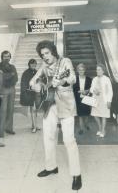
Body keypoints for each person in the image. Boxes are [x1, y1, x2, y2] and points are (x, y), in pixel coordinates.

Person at [29, 40, 82, 191]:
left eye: (47, 53)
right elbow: (32, 82)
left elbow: (73, 78)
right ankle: (51, 166)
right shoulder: (44, 66)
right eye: (42, 54)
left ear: (53, 51)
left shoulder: (65, 61)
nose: (45, 56)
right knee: (48, 137)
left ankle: (76, 174)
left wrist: (63, 80)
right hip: (49, 104)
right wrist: (39, 86)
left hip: (66, 105)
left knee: (69, 140)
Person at [90, 64, 113, 138]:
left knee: (103, 116)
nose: (97, 71)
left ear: (103, 71)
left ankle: (103, 130)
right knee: (95, 115)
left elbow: (110, 91)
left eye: (99, 69)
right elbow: (91, 89)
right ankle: (100, 128)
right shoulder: (94, 79)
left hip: (104, 99)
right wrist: (94, 91)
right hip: (96, 99)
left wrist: (109, 101)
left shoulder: (106, 79)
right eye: (97, 70)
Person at [0, 50, 18, 137]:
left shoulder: (12, 66)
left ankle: (9, 128)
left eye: (8, 56)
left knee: (10, 110)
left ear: (10, 57)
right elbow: (0, 78)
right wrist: (10, 75)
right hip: (3, 90)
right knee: (3, 111)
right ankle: (1, 131)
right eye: (5, 56)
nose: (7, 58)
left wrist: (7, 76)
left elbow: (16, 78)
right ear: (2, 57)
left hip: (12, 89)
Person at [20, 59, 40, 133]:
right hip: (29, 93)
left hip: (36, 93)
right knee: (33, 109)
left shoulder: (37, 72)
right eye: (32, 64)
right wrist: (26, 92)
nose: (33, 65)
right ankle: (34, 127)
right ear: (29, 64)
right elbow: (23, 84)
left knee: (35, 110)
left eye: (35, 64)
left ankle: (34, 125)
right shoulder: (25, 73)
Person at [73, 63, 92, 135]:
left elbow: (91, 88)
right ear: (77, 71)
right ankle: (81, 128)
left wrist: (86, 91)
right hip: (78, 98)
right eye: (79, 70)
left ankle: (86, 124)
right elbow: (73, 89)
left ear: (84, 70)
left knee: (87, 113)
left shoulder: (89, 79)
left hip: (87, 97)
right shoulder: (75, 79)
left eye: (82, 70)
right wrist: (78, 91)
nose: (81, 71)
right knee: (80, 114)